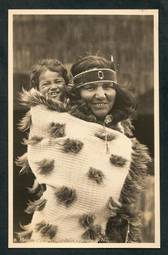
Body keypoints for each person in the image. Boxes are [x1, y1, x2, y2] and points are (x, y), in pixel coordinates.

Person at [16, 55, 151, 243]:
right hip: (56, 236)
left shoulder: (121, 133)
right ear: (75, 93)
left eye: (108, 86)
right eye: (90, 88)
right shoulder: (59, 125)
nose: (101, 95)